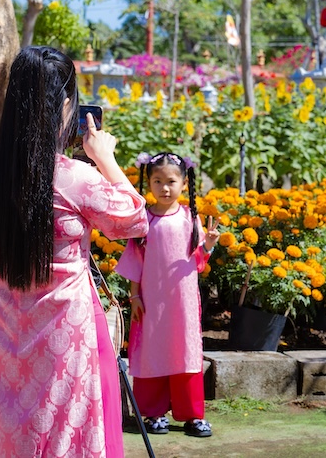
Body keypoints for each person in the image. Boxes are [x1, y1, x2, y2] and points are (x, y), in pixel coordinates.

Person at [0, 46, 148, 457]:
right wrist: (106, 158)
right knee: (63, 433)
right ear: (65, 106)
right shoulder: (77, 178)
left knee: (4, 432)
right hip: (65, 332)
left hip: (0, 328)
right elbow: (136, 218)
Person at [115, 152, 219, 438]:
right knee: (153, 352)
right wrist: (135, 298)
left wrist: (208, 245)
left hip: (182, 303)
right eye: (157, 181)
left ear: (184, 183)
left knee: (185, 352)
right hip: (151, 303)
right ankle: (153, 412)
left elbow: (198, 261)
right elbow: (135, 264)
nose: (164, 188)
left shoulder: (190, 218)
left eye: (171, 181)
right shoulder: (143, 222)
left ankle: (192, 415)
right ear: (147, 182)